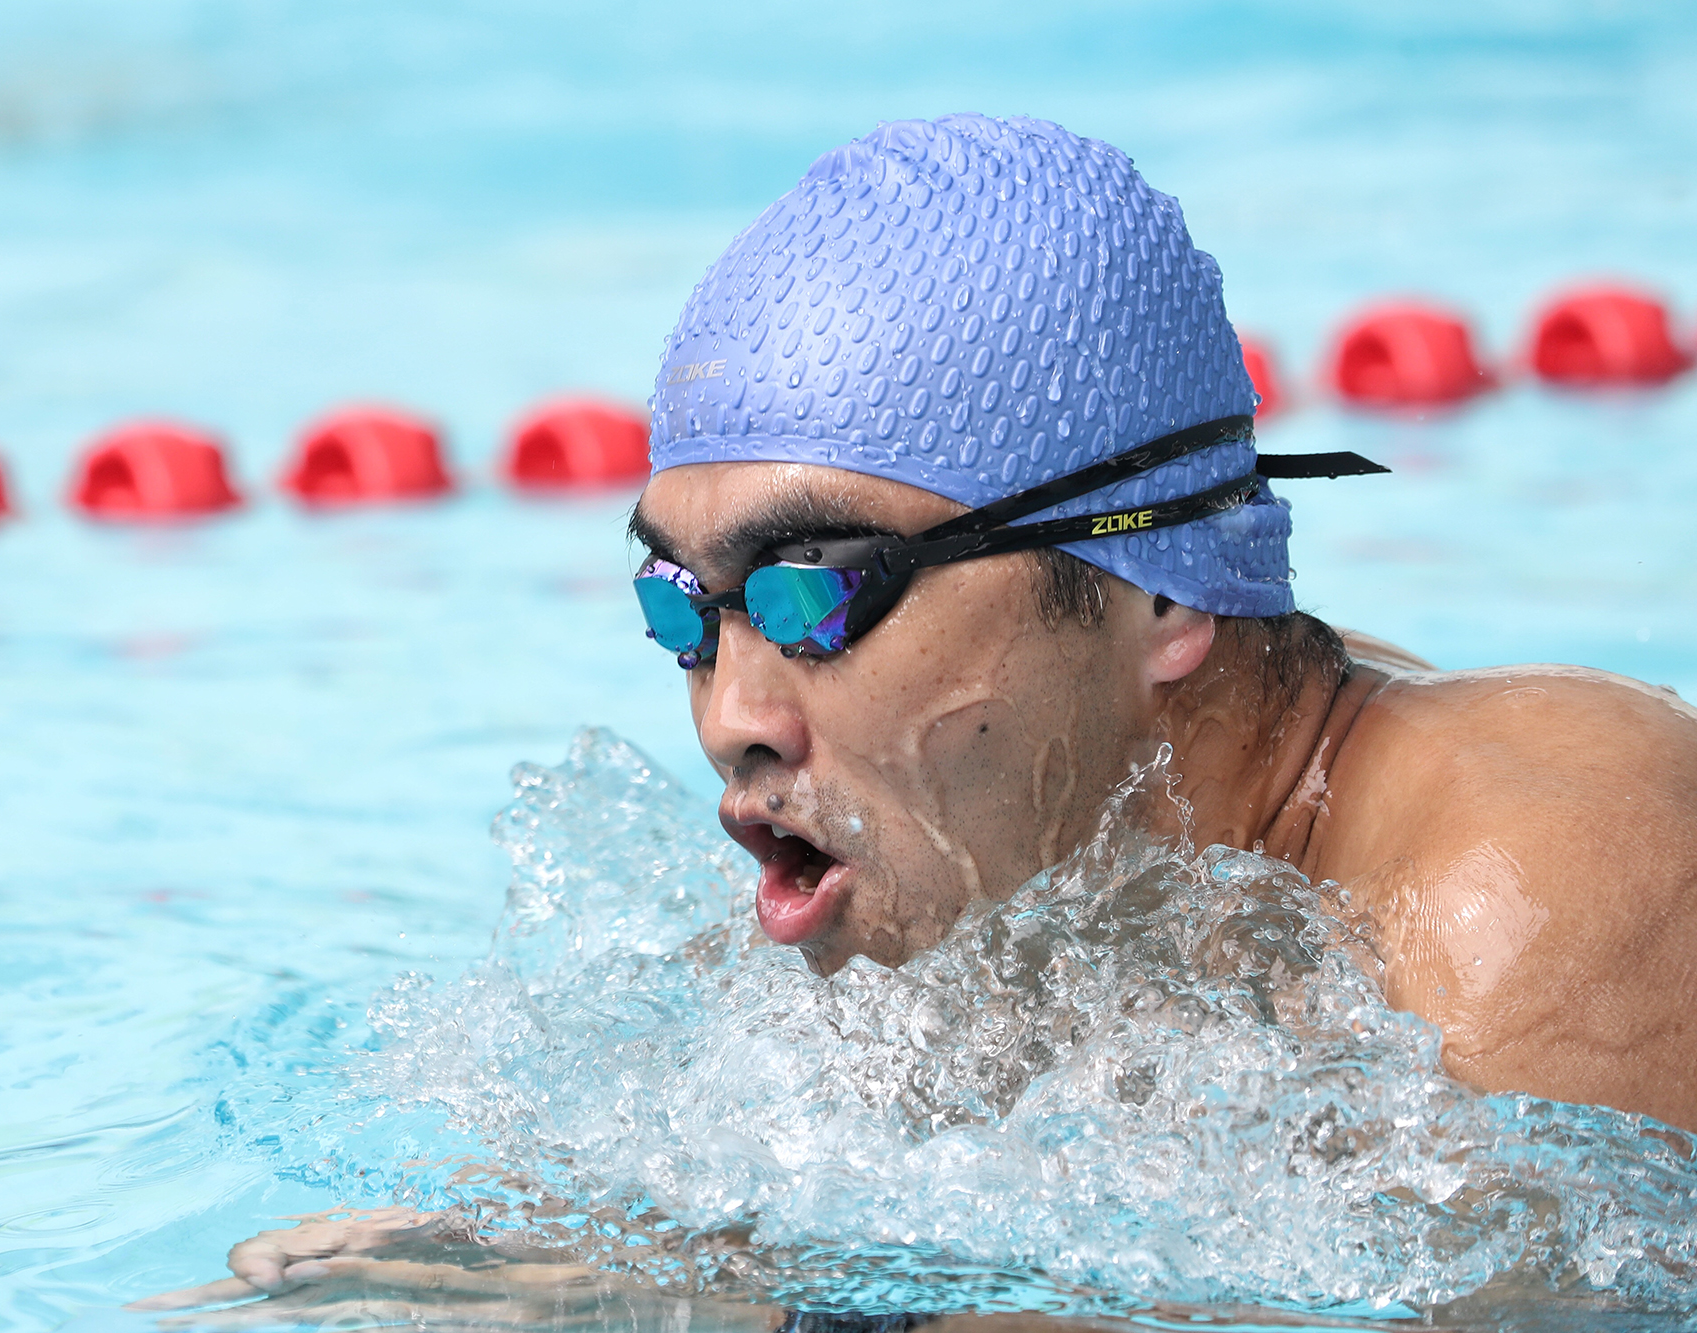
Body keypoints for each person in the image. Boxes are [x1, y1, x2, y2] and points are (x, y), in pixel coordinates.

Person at [137, 114, 1697, 1326]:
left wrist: (715, 1301)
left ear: (1162, 593)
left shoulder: (1545, 868)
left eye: (817, 591)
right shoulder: (1023, 859)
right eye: (682, 605)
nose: (731, 717)